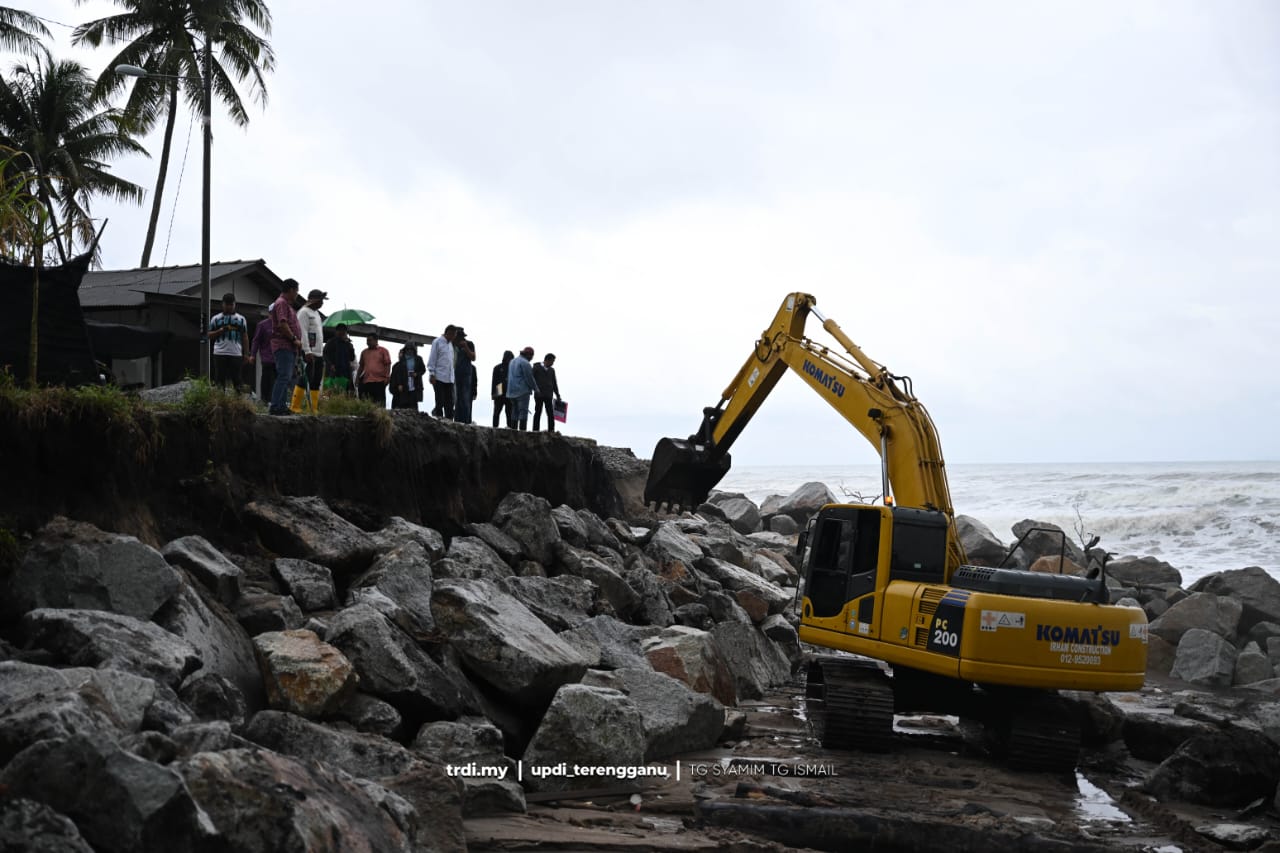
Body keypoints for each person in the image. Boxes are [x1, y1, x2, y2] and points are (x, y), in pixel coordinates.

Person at [267, 279, 303, 415]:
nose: (297, 295)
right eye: (297, 291)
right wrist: (294, 338)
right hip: (284, 345)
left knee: (286, 376)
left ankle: (281, 406)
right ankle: (275, 406)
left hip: (289, 347)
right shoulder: (281, 303)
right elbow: (282, 324)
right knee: (284, 376)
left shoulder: (286, 304)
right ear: (292, 290)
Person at [291, 288, 326, 412]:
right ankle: (295, 406)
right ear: (314, 300)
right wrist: (306, 351)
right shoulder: (304, 312)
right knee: (304, 378)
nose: (322, 303)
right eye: (321, 300)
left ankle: (313, 408)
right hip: (308, 352)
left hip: (318, 352)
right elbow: (302, 332)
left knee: (316, 380)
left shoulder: (316, 314)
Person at [208, 293, 248, 392]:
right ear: (223, 304)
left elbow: (245, 337)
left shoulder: (241, 319)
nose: (229, 307)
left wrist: (246, 354)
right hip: (219, 353)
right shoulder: (215, 319)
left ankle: (239, 403)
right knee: (219, 379)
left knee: (237, 380)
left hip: (236, 353)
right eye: (227, 304)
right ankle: (220, 403)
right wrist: (219, 331)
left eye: (231, 304)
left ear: (235, 304)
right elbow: (208, 335)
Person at [427, 324, 457, 419]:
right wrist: (432, 374)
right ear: (449, 333)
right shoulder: (437, 342)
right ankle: (439, 421)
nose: (455, 337)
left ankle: (449, 421)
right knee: (439, 401)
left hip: (449, 379)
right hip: (439, 377)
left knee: (450, 402)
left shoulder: (450, 345)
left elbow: (450, 362)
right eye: (454, 335)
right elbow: (432, 358)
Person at [506, 346, 537, 431]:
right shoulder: (525, 363)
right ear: (529, 355)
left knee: (514, 413)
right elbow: (529, 378)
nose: (532, 358)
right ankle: (522, 433)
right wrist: (536, 389)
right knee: (523, 412)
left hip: (511, 392)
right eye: (532, 356)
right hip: (522, 391)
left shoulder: (512, 362)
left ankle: (513, 432)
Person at [248, 313, 275, 404]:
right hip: (266, 357)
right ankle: (265, 400)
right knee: (266, 378)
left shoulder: (280, 324)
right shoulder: (262, 325)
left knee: (276, 379)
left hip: (278, 357)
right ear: (269, 313)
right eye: (272, 313)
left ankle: (274, 400)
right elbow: (256, 341)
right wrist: (252, 355)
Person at [357, 334, 392, 407]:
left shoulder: (383, 351)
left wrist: (387, 377)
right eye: (367, 341)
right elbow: (361, 366)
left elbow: (387, 364)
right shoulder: (364, 352)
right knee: (367, 403)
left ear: (376, 341)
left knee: (379, 404)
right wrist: (357, 378)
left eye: (370, 340)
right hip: (367, 381)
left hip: (379, 381)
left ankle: (381, 417)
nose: (368, 342)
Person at [390, 342, 427, 410]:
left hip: (415, 385)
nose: (409, 350)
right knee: (402, 404)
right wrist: (399, 384)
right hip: (404, 384)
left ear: (414, 350)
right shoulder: (401, 360)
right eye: (407, 349)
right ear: (405, 350)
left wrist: (416, 374)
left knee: (413, 406)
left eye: (411, 349)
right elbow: (398, 373)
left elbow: (423, 370)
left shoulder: (418, 359)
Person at [452, 327, 478, 424]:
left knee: (465, 398)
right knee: (457, 399)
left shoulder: (470, 344)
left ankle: (466, 421)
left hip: (466, 374)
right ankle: (457, 420)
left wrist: (466, 347)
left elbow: (473, 357)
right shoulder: (453, 345)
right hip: (455, 375)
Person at [322, 323, 356, 395]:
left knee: (345, 394)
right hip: (333, 372)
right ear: (336, 331)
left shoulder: (348, 344)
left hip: (345, 374)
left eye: (344, 331)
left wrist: (351, 347)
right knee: (330, 393)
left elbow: (352, 358)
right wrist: (330, 365)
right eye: (340, 330)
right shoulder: (331, 342)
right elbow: (324, 354)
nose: (342, 332)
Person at [532, 353, 561, 433]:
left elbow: (554, 383)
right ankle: (535, 430)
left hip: (548, 395)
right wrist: (532, 389)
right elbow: (531, 379)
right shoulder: (536, 367)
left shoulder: (552, 370)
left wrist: (557, 395)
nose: (553, 363)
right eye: (552, 361)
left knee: (550, 413)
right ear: (547, 360)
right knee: (538, 411)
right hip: (539, 394)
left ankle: (551, 430)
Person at [491, 350, 515, 428]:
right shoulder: (497, 367)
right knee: (497, 411)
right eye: (509, 358)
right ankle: (495, 427)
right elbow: (494, 381)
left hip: (509, 392)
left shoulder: (513, 369)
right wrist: (493, 394)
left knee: (509, 412)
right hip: (499, 390)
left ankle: (510, 427)